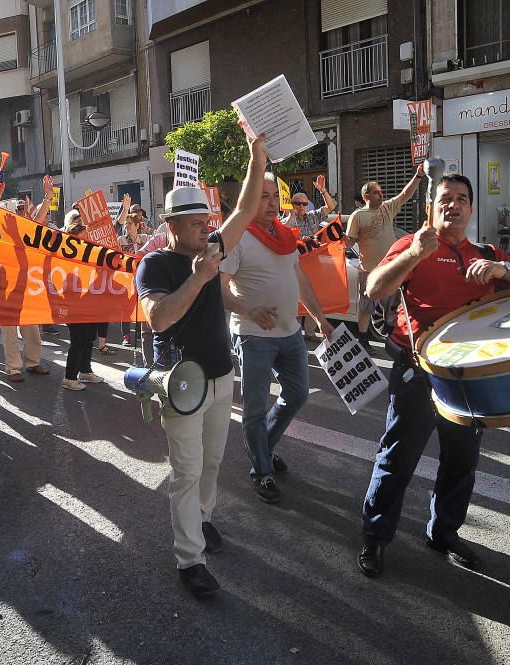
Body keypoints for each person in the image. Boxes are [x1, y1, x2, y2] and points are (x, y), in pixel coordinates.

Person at [357, 173, 510, 579]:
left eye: (462, 198)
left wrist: (501, 270)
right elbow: (374, 288)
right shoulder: (413, 244)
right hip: (419, 372)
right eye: (445, 198)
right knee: (397, 459)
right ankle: (375, 537)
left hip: (469, 379)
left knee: (461, 462)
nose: (453, 205)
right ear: (432, 206)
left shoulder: (486, 251)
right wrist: (412, 257)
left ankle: (443, 532)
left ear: (471, 208)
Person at [134, 132, 266, 596]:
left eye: (207, 223)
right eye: (196, 225)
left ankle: (204, 519)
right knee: (186, 471)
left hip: (220, 375)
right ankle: (190, 559)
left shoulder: (211, 248)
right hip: (182, 383)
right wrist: (198, 280)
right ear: (172, 226)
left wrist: (257, 157)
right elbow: (160, 319)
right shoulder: (154, 266)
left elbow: (246, 211)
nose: (206, 232)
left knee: (211, 464)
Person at [220, 173, 334, 505]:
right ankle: (262, 470)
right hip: (254, 336)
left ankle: (264, 448)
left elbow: (300, 279)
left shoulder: (285, 236)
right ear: (249, 199)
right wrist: (249, 309)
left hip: (291, 334)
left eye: (274, 196)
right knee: (254, 408)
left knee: (297, 394)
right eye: (263, 196)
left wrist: (320, 318)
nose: (271, 203)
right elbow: (219, 288)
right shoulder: (237, 237)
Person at [345, 167, 424, 345]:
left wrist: (418, 176)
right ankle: (363, 340)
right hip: (369, 270)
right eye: (376, 193)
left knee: (394, 306)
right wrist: (338, 238)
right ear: (366, 196)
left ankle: (394, 340)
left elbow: (405, 194)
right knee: (366, 307)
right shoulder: (358, 216)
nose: (381, 195)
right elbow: (350, 242)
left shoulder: (388, 208)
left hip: (391, 268)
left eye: (381, 192)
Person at [60, 208, 106, 391]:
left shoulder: (89, 255)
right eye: (84, 237)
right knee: (78, 339)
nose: (88, 240)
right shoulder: (66, 257)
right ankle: (69, 377)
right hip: (74, 303)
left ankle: (85, 371)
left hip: (89, 301)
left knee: (88, 338)